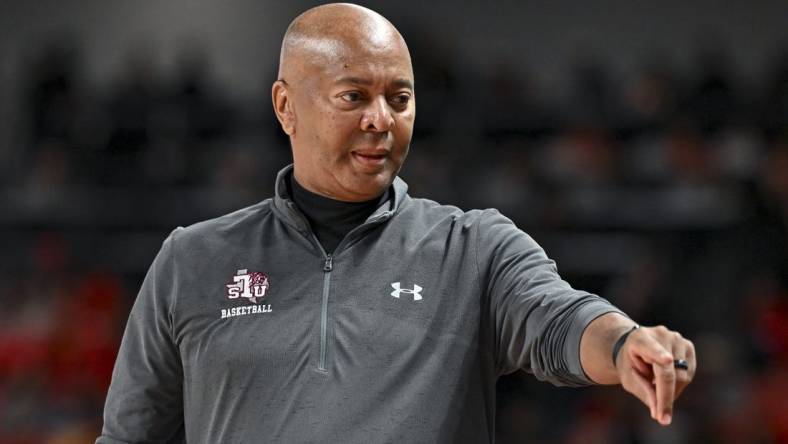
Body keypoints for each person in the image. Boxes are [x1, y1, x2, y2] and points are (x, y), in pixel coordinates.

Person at [97, 3, 696, 443]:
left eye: (400, 98)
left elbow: (559, 318)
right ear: (286, 106)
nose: (382, 120)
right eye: (353, 97)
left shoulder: (474, 248)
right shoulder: (192, 259)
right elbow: (130, 437)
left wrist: (624, 344)